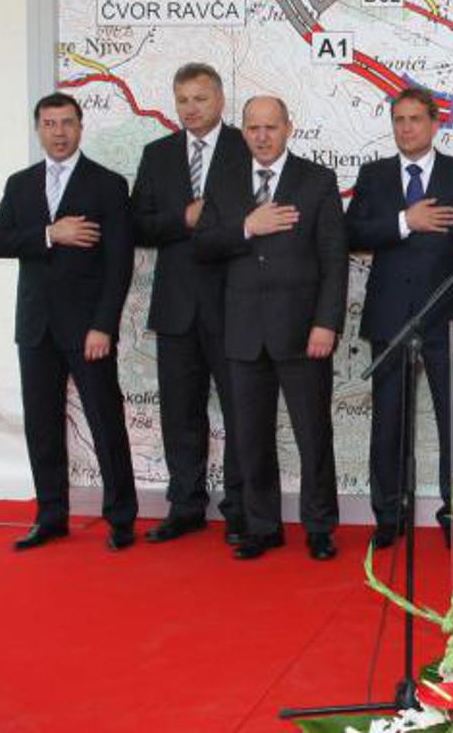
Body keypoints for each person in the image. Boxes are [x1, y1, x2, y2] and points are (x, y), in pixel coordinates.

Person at [194, 96, 348, 562]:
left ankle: (319, 527)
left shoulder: (317, 180)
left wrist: (326, 323)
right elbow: (203, 245)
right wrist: (246, 226)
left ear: (288, 128)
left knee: (313, 435)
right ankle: (263, 526)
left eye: (271, 127)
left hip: (303, 332)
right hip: (243, 331)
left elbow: (334, 260)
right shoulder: (223, 180)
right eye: (253, 128)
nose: (262, 137)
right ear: (243, 131)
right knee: (251, 437)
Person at [0, 92, 137, 552]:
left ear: (80, 126)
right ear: (38, 129)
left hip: (88, 329)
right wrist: (51, 234)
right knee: (41, 427)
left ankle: (121, 518)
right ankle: (50, 516)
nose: (59, 132)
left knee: (105, 422)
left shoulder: (107, 184)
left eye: (67, 122)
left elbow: (119, 263)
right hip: (35, 328)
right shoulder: (20, 184)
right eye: (49, 124)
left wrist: (103, 325)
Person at [346, 86, 453, 550]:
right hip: (389, 318)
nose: (406, 128)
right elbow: (351, 233)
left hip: (448, 319)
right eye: (399, 120)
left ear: (435, 122)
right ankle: (389, 516)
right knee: (388, 423)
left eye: (415, 119)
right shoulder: (374, 175)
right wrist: (405, 222)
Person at [129, 63, 249, 545]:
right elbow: (137, 224)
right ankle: (185, 506)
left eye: (200, 98)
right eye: (182, 100)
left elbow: (257, 217)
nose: (190, 109)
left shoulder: (247, 146)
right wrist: (183, 218)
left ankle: (241, 509)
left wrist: (216, 222)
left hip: (234, 304)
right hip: (176, 305)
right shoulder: (157, 154)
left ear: (220, 100)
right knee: (180, 413)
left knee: (242, 413)